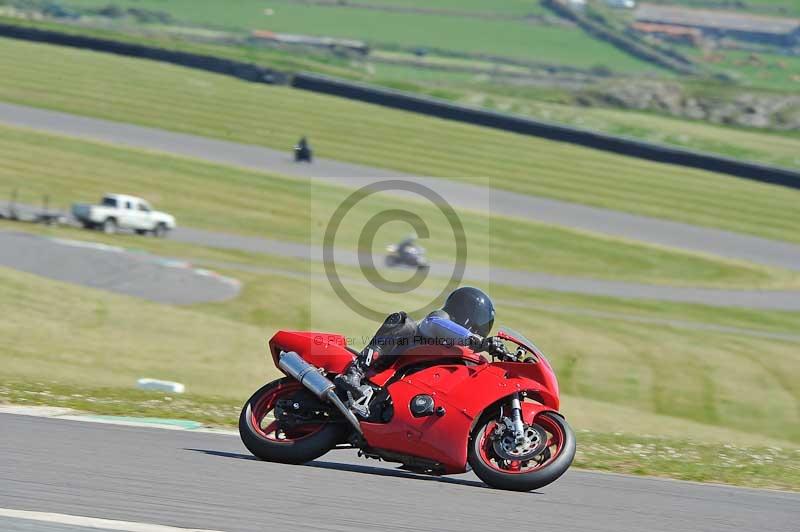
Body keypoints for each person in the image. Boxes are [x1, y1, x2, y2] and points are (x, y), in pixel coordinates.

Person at [336, 287, 508, 412]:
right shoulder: (439, 320)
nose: (482, 326)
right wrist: (478, 340)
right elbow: (437, 324)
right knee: (404, 322)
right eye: (481, 319)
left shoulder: (465, 348)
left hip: (422, 393)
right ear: (468, 312)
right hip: (389, 368)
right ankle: (355, 371)